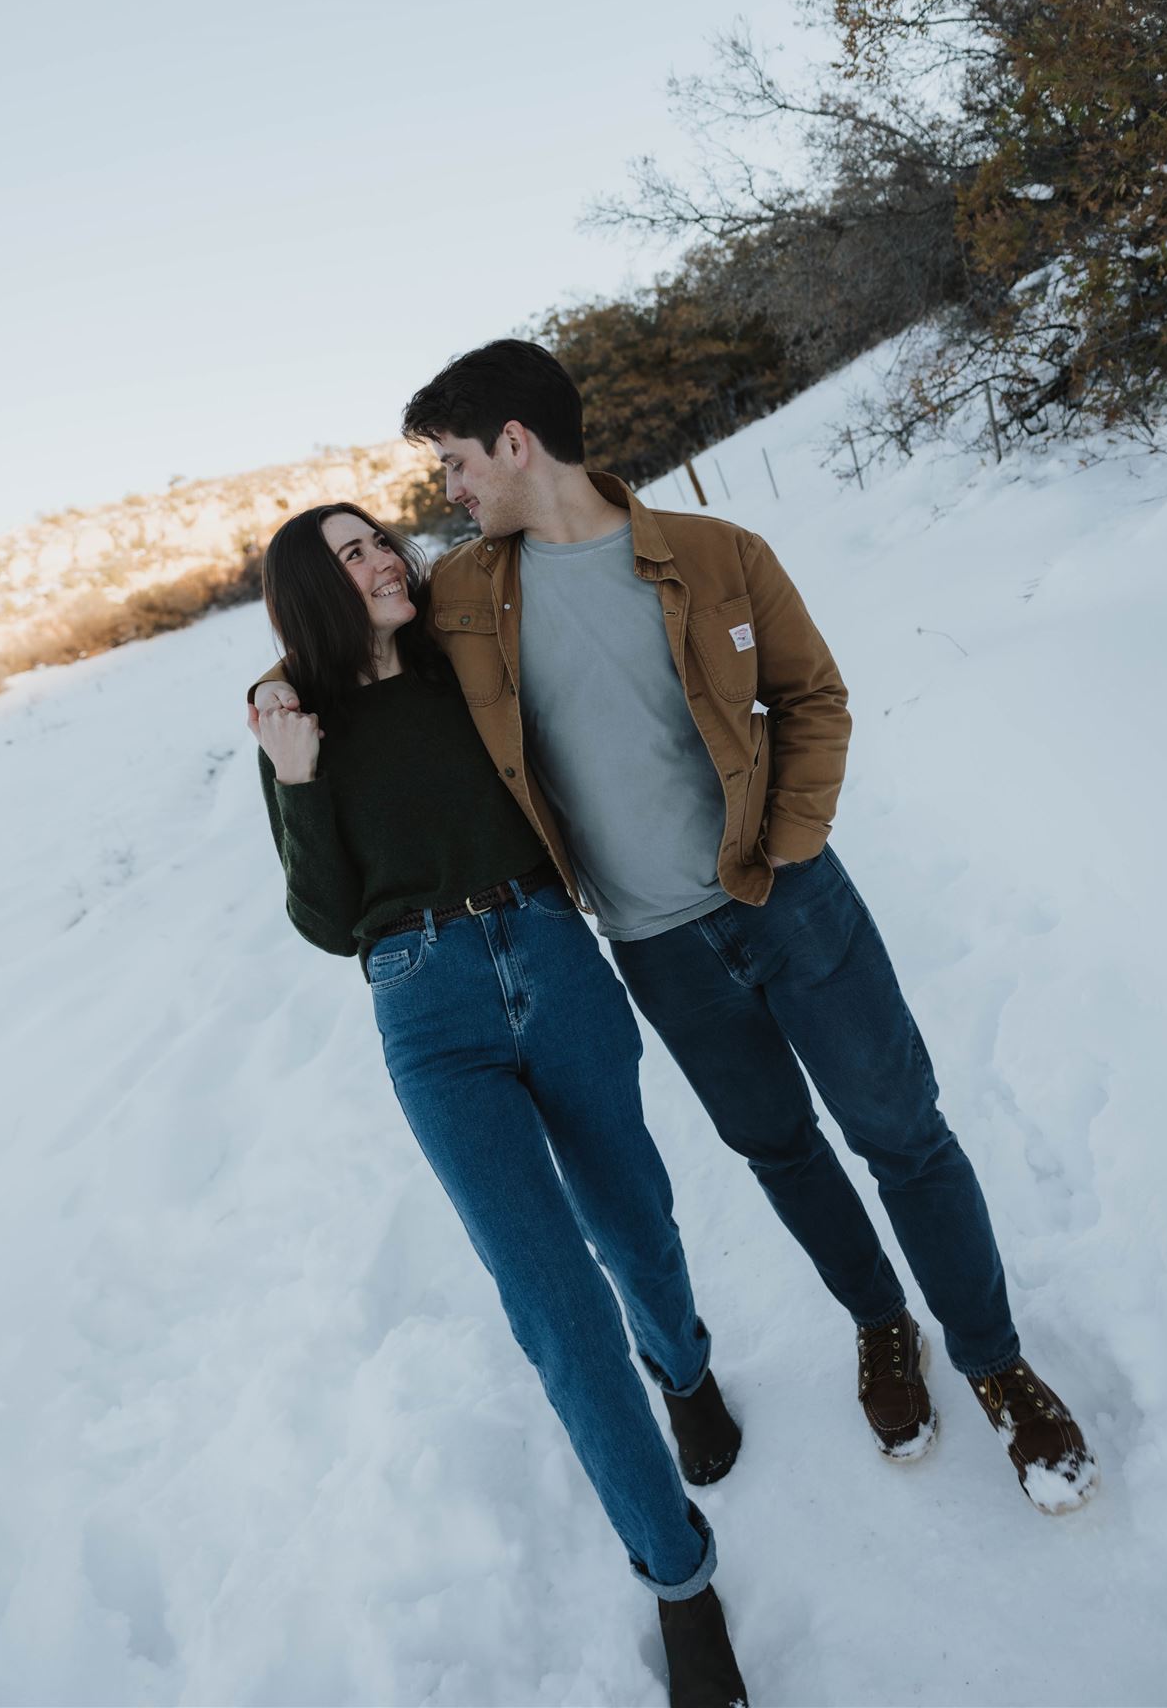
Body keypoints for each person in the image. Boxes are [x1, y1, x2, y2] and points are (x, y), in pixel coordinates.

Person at [251, 343, 1098, 1518]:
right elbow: (347, 652)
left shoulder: (716, 554)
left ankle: (997, 1359)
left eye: (453, 460)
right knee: (781, 1148)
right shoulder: (464, 597)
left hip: (792, 905)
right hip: (653, 947)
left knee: (901, 1130)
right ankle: (878, 1322)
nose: (444, 493)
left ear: (513, 441)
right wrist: (276, 705)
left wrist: (788, 845)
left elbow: (814, 697)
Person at [247, 500, 750, 1708]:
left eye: (380, 540)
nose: (382, 559)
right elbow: (324, 919)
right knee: (551, 1299)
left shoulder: (465, 660)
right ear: (309, 596)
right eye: (350, 555)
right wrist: (300, 780)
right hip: (427, 1008)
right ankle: (680, 1580)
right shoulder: (290, 719)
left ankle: (682, 1367)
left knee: (633, 1210)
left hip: (552, 949)